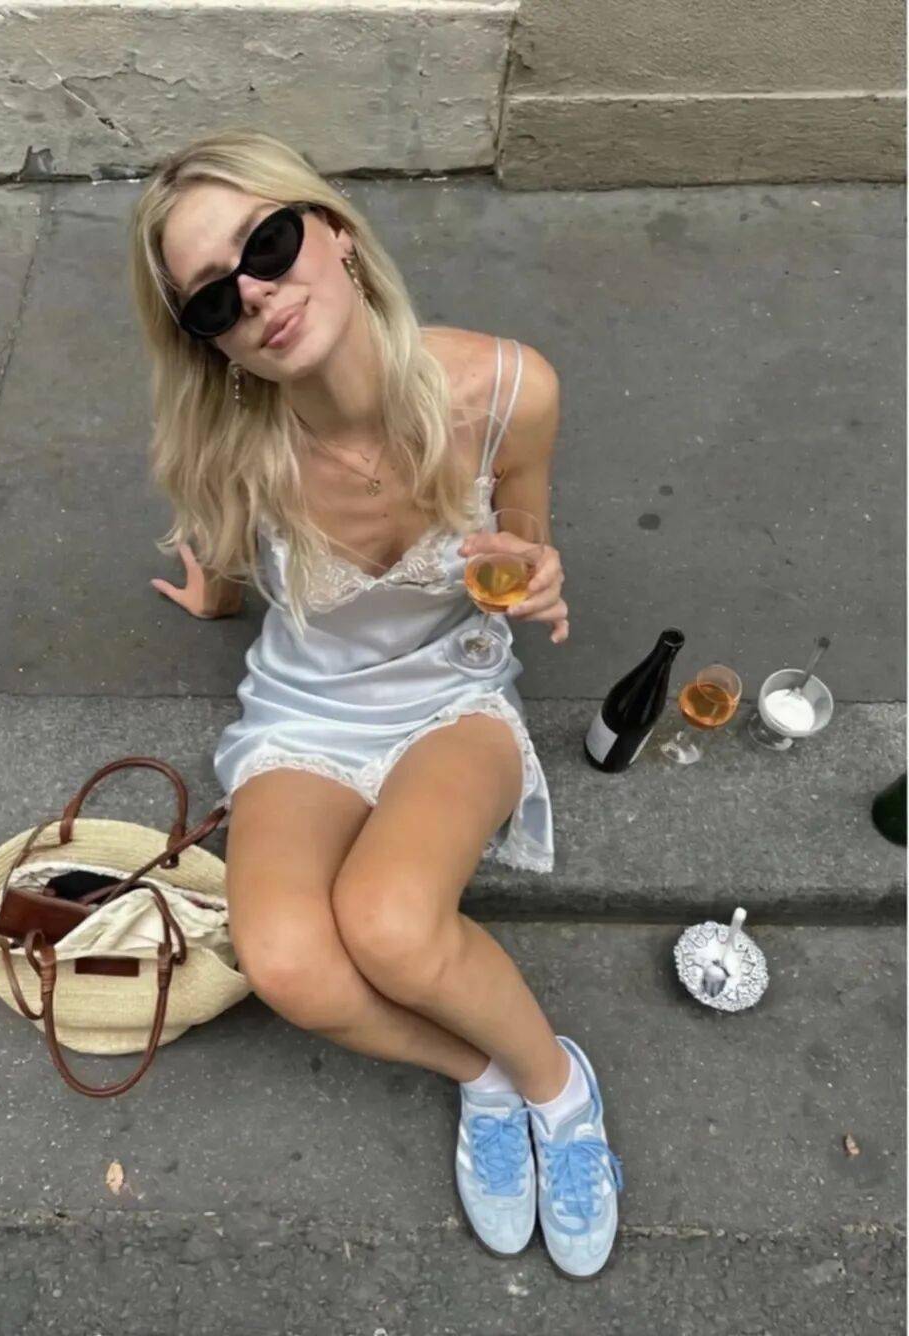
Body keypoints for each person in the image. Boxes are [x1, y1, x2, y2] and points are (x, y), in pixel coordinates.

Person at [129, 128, 622, 1276]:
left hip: (451, 696)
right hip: (307, 716)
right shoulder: (232, 451)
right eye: (214, 300)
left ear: (336, 233)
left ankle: (560, 1088)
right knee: (287, 963)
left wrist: (535, 573)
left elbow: (524, 542)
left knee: (393, 925)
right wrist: (212, 594)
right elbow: (223, 551)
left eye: (267, 244)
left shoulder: (508, 389)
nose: (255, 294)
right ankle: (482, 1075)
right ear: (213, 342)